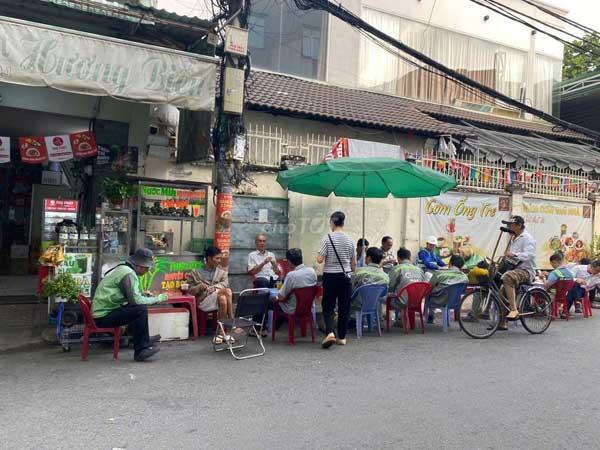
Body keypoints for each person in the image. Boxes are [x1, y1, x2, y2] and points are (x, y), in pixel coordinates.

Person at [92, 248, 168, 362]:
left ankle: (142, 339)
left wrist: (144, 294)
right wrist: (159, 298)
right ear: (140, 266)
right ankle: (141, 350)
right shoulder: (128, 273)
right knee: (140, 309)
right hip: (103, 317)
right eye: (147, 268)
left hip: (105, 311)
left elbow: (130, 295)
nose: (147, 271)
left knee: (136, 308)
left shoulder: (123, 268)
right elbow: (136, 300)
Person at [317, 211, 356, 348]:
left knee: (328, 306)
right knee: (344, 307)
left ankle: (330, 333)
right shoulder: (350, 240)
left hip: (330, 276)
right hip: (346, 277)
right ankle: (342, 337)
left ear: (332, 222)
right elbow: (353, 264)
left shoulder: (327, 238)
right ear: (343, 222)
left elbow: (319, 259)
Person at [187, 246, 234, 345]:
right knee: (227, 291)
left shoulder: (222, 272)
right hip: (204, 301)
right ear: (208, 258)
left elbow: (225, 283)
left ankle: (220, 333)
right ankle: (232, 322)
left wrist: (215, 288)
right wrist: (199, 286)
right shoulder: (195, 272)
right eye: (217, 258)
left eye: (220, 258)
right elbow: (190, 291)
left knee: (223, 299)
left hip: (217, 299)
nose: (219, 261)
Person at [499, 215, 536, 324]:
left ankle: (514, 309)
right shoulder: (512, 238)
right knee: (501, 290)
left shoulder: (528, 238)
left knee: (507, 276)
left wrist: (513, 254)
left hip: (526, 271)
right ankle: (502, 322)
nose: (508, 227)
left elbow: (529, 255)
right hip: (514, 269)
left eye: (511, 225)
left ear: (519, 225)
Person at [427, 254, 469, 322]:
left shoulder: (439, 274)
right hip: (455, 302)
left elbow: (429, 286)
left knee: (430, 294)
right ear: (461, 266)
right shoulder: (465, 277)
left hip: (439, 301)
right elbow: (463, 291)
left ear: (450, 263)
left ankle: (431, 316)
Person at [276, 248, 317, 314]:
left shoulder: (291, 275)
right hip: (309, 307)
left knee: (272, 303)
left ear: (289, 261)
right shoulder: (312, 271)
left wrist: (277, 294)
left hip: (293, 309)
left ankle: (273, 324)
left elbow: (281, 297)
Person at [543, 252, 575, 319]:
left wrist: (543, 278)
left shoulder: (554, 272)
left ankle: (549, 312)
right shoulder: (570, 272)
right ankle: (561, 310)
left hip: (555, 295)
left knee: (540, 292)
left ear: (554, 262)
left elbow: (547, 285)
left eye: (551, 263)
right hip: (567, 296)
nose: (551, 265)